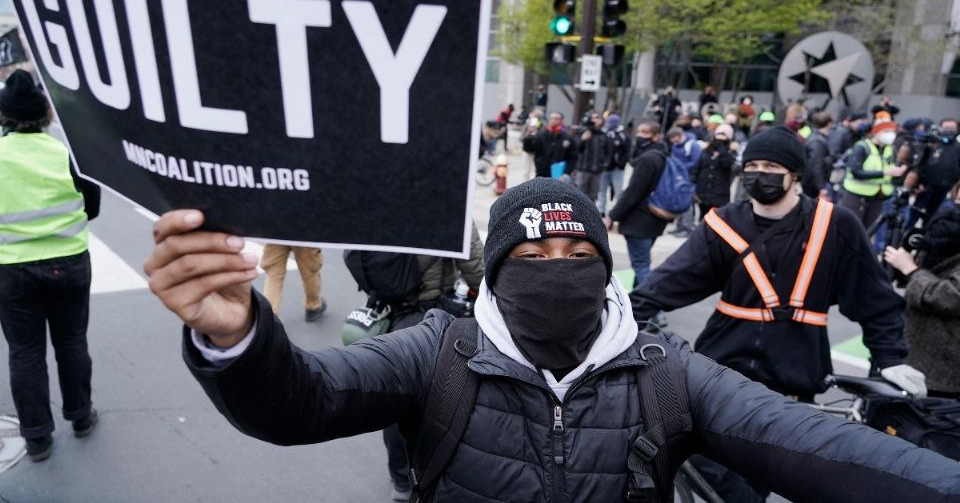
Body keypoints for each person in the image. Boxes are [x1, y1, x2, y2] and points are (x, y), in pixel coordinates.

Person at [144, 179, 960, 502]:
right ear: (496, 273)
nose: (557, 272)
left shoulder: (664, 372)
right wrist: (240, 336)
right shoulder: (440, 353)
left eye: (578, 258)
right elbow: (303, 403)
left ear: (605, 270)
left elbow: (807, 442)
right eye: (532, 258)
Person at [630, 126, 928, 501]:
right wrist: (619, 323)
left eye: (770, 165)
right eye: (751, 165)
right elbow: (666, 283)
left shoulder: (835, 225)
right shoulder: (723, 224)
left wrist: (889, 359)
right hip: (722, 376)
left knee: (767, 480)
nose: (759, 173)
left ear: (795, 174)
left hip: (793, 386)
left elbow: (877, 301)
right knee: (718, 479)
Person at [0, 70, 101, 461]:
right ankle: (80, 416)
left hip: (11, 270)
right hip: (69, 262)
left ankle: (38, 438)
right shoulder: (66, 153)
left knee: (25, 353)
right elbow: (91, 205)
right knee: (72, 342)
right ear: (45, 114)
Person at [380, 224, 485, 500]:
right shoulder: (447, 203)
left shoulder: (382, 201)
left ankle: (400, 479)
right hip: (432, 314)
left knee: (393, 395)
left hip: (391, 313)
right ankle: (427, 476)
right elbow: (475, 265)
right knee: (440, 397)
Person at [884, 182, 960, 398]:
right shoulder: (944, 230)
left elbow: (953, 295)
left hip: (946, 366)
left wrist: (911, 270)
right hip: (917, 349)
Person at [604, 123, 671, 289]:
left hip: (640, 221)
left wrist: (612, 216)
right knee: (641, 263)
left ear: (656, 136)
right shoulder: (663, 156)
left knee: (641, 266)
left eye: (646, 132)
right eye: (639, 131)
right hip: (656, 219)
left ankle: (653, 307)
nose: (640, 135)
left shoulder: (648, 159)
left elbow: (633, 193)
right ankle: (636, 300)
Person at [840, 115, 907, 229]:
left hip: (877, 197)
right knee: (850, 228)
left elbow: (891, 171)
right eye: (886, 131)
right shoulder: (862, 147)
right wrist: (885, 172)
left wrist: (899, 172)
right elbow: (856, 172)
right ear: (876, 132)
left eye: (892, 131)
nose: (891, 134)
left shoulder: (890, 149)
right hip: (856, 197)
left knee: (868, 230)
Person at [912, 118, 960, 226]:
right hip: (925, 187)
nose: (949, 130)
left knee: (933, 218)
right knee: (913, 215)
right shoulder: (932, 144)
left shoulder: (958, 148)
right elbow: (920, 164)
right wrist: (917, 183)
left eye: (952, 128)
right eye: (946, 128)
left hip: (945, 190)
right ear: (940, 128)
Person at [260, 244, 325, 321]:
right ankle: (313, 305)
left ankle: (269, 319)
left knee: (273, 276)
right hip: (304, 236)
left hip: (275, 236)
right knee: (309, 272)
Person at [693, 124, 736, 219]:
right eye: (719, 134)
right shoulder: (707, 150)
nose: (720, 137)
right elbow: (698, 168)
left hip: (719, 193)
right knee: (702, 218)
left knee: (716, 219)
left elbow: (727, 164)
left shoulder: (730, 152)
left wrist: (722, 149)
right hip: (703, 191)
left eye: (723, 135)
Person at [522, 111, 576, 181]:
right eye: (551, 118)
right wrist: (528, 136)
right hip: (542, 174)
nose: (553, 121)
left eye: (556, 119)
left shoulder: (568, 137)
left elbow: (573, 157)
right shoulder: (541, 135)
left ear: (562, 121)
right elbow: (528, 149)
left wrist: (567, 173)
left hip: (559, 176)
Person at [666, 127, 701, 237]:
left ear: (679, 135)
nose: (673, 141)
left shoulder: (692, 145)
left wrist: (681, 168)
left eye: (674, 138)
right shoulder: (675, 145)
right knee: (679, 201)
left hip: (689, 178)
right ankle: (679, 226)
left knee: (687, 203)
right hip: (678, 178)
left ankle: (687, 227)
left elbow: (696, 161)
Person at [572, 111, 610, 203]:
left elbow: (608, 152)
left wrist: (604, 164)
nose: (594, 120)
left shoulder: (603, 135)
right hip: (582, 170)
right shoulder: (580, 132)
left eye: (597, 117)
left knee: (593, 195)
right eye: (592, 117)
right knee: (579, 195)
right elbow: (575, 150)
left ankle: (590, 215)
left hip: (597, 171)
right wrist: (583, 140)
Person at [596, 114, 629, 217]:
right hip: (604, 169)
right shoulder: (604, 133)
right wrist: (603, 162)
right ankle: (601, 211)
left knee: (619, 191)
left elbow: (627, 151)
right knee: (602, 191)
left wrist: (621, 163)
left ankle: (619, 212)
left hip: (617, 169)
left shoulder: (623, 135)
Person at [801, 111, 834, 199]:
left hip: (811, 183)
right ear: (829, 124)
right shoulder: (817, 142)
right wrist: (821, 188)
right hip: (812, 185)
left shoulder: (815, 138)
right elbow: (816, 165)